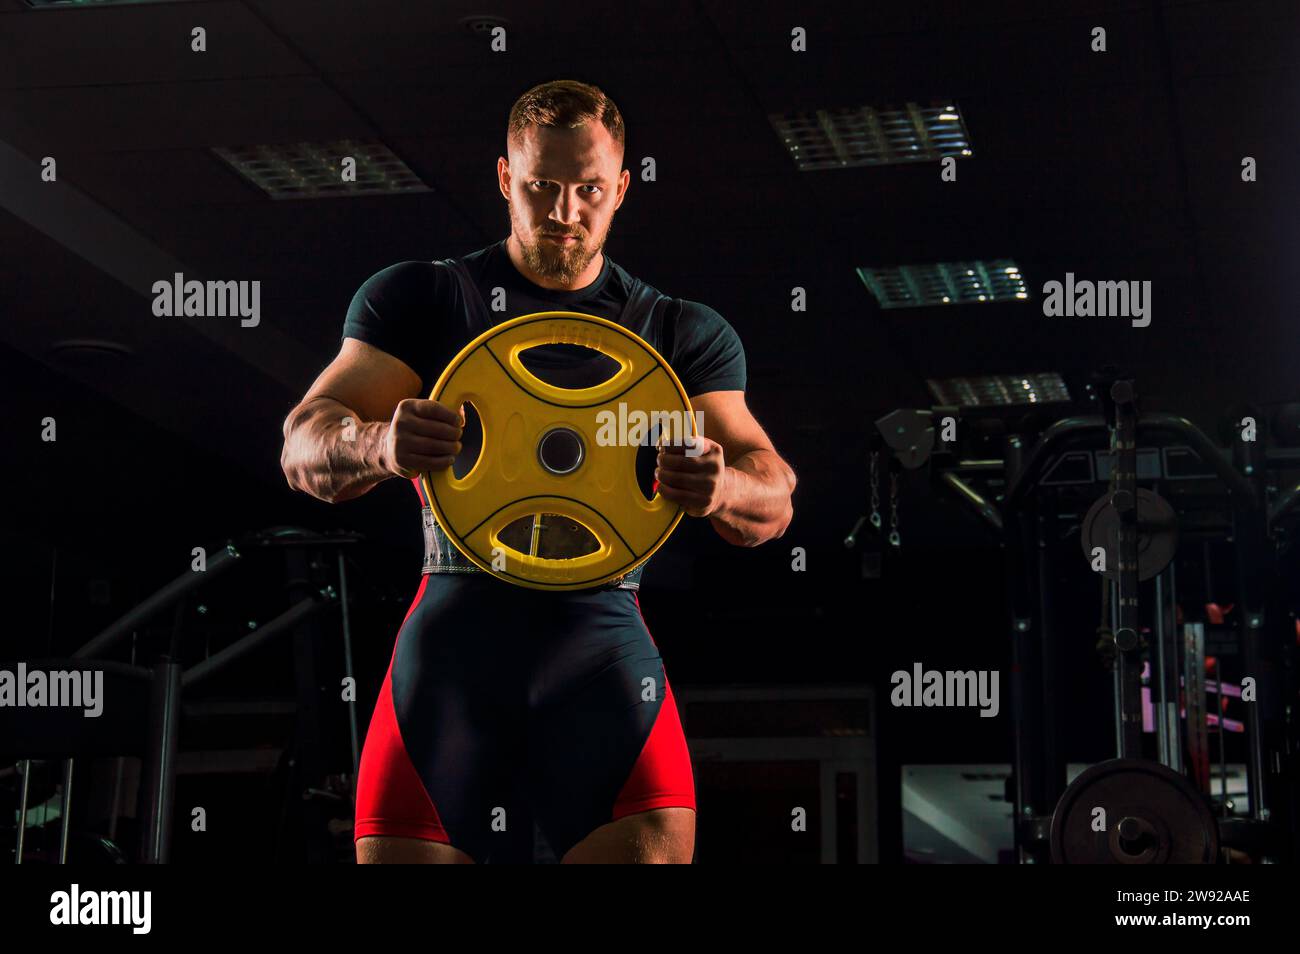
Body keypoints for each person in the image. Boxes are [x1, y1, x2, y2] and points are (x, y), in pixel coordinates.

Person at [280, 80, 796, 863]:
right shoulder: (422, 301)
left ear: (621, 188)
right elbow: (303, 447)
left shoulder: (679, 332)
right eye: (541, 187)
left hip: (602, 651)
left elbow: (774, 500)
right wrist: (380, 445)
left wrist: (722, 485)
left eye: (589, 189)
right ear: (503, 178)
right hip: (453, 653)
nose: (564, 211)